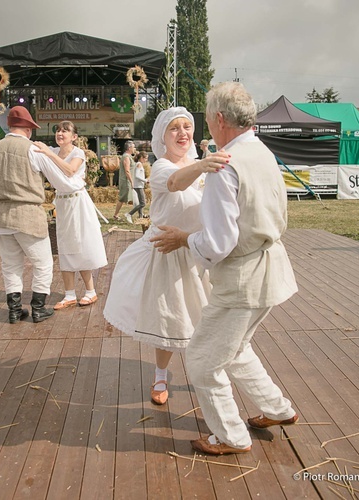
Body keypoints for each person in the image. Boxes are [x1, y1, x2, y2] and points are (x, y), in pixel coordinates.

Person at [151, 82, 299, 456]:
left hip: (241, 280)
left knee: (202, 360)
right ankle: (277, 409)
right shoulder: (262, 151)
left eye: (202, 119)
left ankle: (231, 436)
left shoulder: (223, 165)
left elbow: (218, 243)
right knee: (236, 349)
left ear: (218, 119)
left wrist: (185, 239)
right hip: (270, 269)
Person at [104, 107, 229, 406]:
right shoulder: (162, 167)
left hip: (199, 251)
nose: (183, 133)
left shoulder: (203, 165)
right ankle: (161, 375)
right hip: (168, 251)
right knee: (168, 321)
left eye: (187, 126)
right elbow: (176, 183)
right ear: (163, 136)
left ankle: (211, 377)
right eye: (175, 128)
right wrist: (202, 166)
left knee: (211, 320)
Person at [0, 106, 57, 323]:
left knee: (11, 264)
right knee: (43, 263)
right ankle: (38, 308)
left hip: (1, 215)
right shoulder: (32, 149)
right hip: (27, 214)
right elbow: (55, 177)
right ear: (29, 129)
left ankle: (14, 311)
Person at [32, 120, 107, 309]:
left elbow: (70, 170)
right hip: (63, 203)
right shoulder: (53, 152)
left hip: (78, 203)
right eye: (58, 130)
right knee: (65, 246)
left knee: (80, 245)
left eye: (65, 131)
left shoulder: (78, 153)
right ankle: (69, 294)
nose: (60, 133)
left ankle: (90, 291)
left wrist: (48, 153)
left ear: (74, 137)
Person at [112, 140, 135, 220]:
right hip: (126, 181)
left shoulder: (128, 156)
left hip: (128, 181)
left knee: (132, 198)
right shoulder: (126, 157)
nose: (134, 148)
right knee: (122, 198)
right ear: (129, 148)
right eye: (133, 147)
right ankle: (116, 215)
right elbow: (127, 170)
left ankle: (135, 214)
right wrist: (132, 182)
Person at [125, 151, 149, 223]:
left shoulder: (138, 164)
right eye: (145, 158)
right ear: (141, 158)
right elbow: (137, 176)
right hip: (138, 186)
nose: (146, 160)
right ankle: (129, 214)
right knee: (143, 203)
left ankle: (140, 217)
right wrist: (145, 180)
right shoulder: (139, 164)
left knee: (141, 202)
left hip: (139, 185)